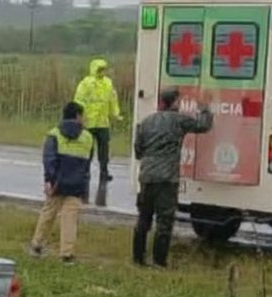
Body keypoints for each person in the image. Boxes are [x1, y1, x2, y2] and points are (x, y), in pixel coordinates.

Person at [133, 87, 213, 268]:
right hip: (167, 178)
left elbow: (138, 151)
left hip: (146, 176)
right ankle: (159, 261)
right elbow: (203, 126)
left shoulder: (145, 122)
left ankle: (138, 258)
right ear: (175, 102)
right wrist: (205, 108)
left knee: (143, 218)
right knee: (164, 221)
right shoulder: (178, 120)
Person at [28, 102, 94, 264]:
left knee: (48, 213)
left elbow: (49, 160)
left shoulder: (54, 134)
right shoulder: (87, 137)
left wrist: (48, 180)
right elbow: (87, 164)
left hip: (57, 182)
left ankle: (37, 245)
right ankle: (67, 254)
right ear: (78, 116)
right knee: (70, 218)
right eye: (82, 116)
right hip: (77, 184)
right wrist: (85, 187)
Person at [74, 58, 122, 184]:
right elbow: (79, 100)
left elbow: (112, 100)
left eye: (104, 70)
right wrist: (79, 117)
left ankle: (104, 172)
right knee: (87, 149)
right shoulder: (86, 83)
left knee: (104, 150)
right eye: (100, 70)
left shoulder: (108, 83)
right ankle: (85, 171)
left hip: (102, 123)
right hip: (88, 122)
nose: (103, 72)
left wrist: (116, 114)